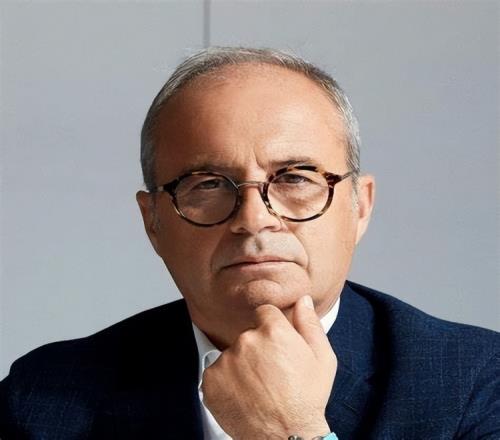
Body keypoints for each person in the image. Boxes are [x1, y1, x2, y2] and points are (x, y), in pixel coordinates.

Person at [0, 46, 498, 440]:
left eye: (295, 178)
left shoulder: (473, 382)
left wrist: (293, 432)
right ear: (153, 221)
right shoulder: (43, 397)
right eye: (208, 184)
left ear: (359, 206)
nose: (254, 220)